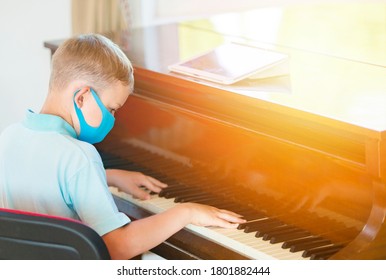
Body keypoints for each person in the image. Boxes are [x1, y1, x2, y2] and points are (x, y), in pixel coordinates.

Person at [0, 34, 245, 260]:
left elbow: (44, 178)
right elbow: (118, 246)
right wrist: (185, 212)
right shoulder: (80, 157)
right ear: (82, 97)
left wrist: (108, 176)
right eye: (111, 109)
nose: (113, 120)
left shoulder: (10, 136)